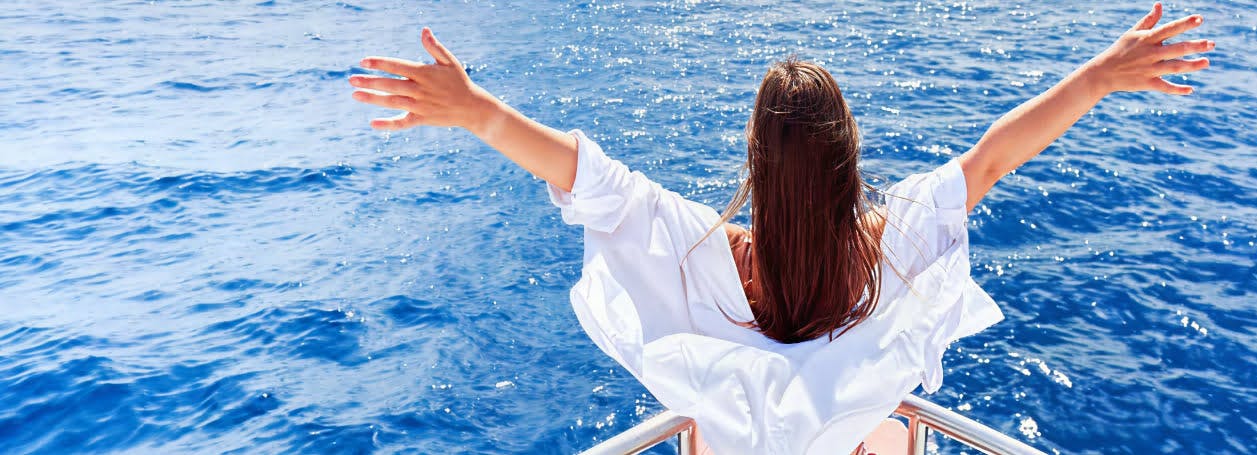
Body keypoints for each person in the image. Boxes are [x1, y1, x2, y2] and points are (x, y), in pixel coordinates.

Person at [351, 3, 1210, 453]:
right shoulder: (886, 249)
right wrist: (1102, 73)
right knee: (895, 432)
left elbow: (582, 173)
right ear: (848, 159)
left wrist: (470, 109)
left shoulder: (696, 247)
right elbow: (990, 159)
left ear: (755, 162)